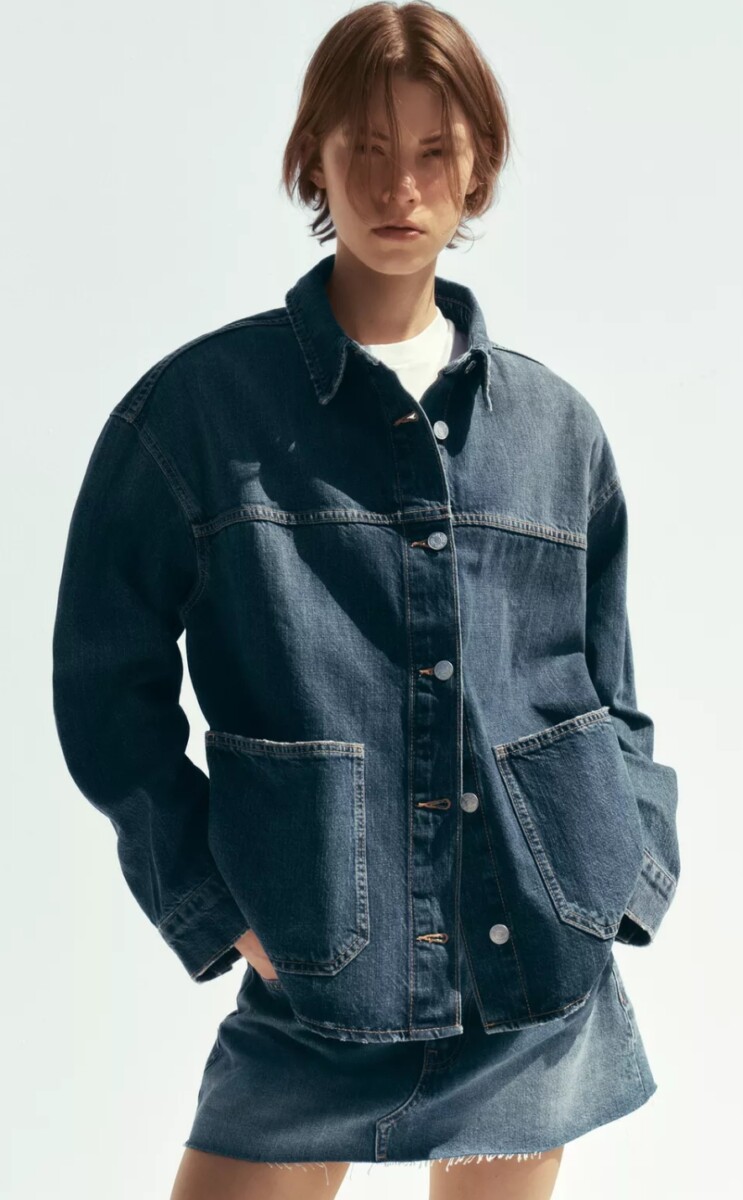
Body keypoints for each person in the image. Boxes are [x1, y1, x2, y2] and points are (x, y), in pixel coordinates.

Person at [52, 3, 680, 1198]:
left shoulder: (555, 430)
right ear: (313, 160)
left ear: (477, 167)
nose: (399, 187)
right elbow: (102, 685)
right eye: (367, 150)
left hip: (531, 960)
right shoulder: (198, 415)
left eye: (433, 152)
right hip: (317, 962)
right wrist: (211, 905)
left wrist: (625, 870)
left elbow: (608, 695)